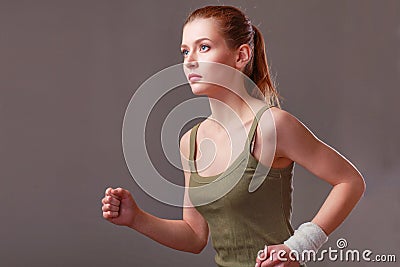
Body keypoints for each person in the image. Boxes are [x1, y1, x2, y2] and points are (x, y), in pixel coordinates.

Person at [101, 5, 366, 267]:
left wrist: (297, 248)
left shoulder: (272, 126)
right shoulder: (190, 143)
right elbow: (195, 237)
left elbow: (350, 181)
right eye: (185, 51)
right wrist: (136, 218)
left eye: (203, 47)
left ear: (241, 56)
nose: (189, 60)